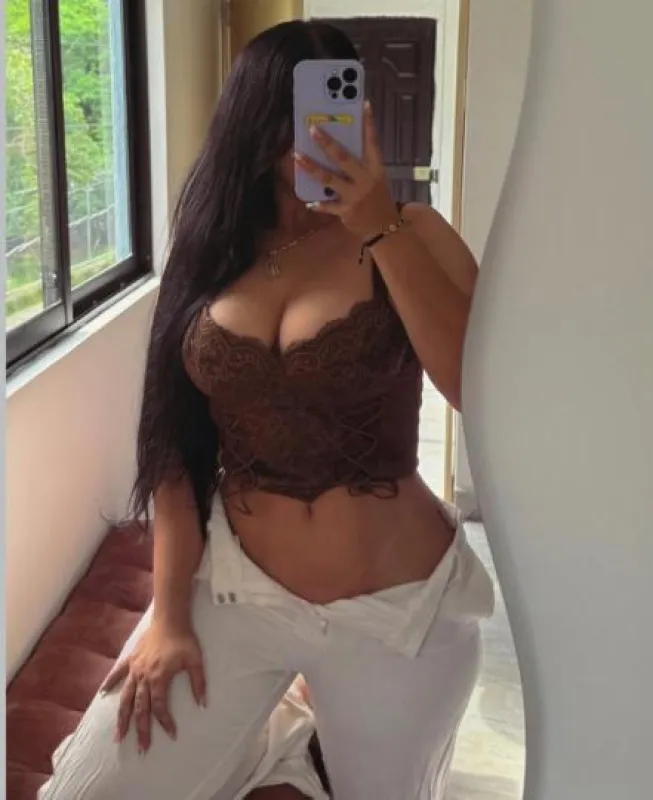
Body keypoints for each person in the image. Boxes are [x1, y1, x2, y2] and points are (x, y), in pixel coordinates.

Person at [39, 19, 494, 800]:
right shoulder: (212, 254)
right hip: (236, 591)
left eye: (334, 105)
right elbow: (173, 449)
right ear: (251, 121)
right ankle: (281, 732)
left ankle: (289, 736)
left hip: (395, 612)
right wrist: (168, 616)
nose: (313, 134)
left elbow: (476, 393)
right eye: (292, 112)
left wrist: (379, 225)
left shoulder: (411, 230)